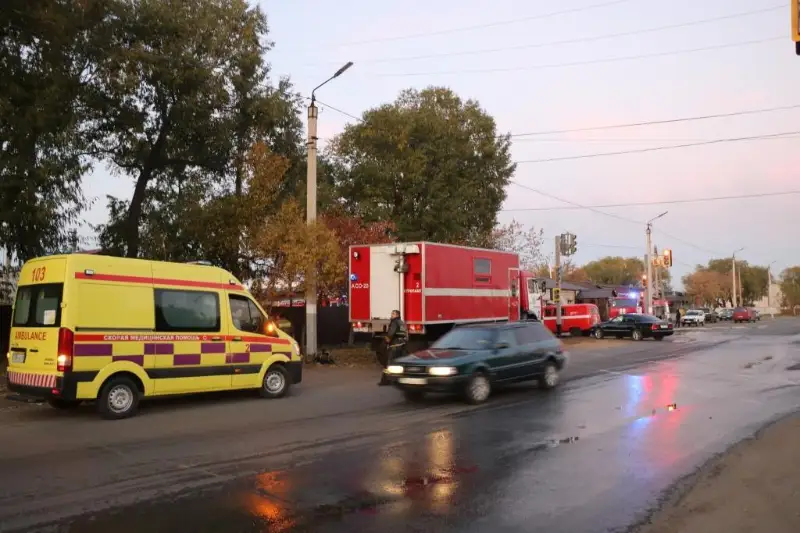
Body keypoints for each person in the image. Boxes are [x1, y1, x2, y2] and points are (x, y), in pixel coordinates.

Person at [378, 309, 408, 386]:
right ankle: (400, 380)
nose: (392, 315)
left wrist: (384, 343)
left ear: (397, 315)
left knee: (388, 363)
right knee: (399, 363)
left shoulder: (394, 322)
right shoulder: (402, 323)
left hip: (394, 345)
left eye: (393, 314)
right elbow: (406, 335)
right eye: (392, 313)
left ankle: (385, 381)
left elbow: (390, 334)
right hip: (402, 345)